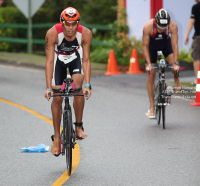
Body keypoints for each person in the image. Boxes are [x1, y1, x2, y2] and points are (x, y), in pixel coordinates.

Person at [44, 7, 92, 156]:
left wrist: (87, 85)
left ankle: (78, 126)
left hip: (75, 59)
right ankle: (57, 137)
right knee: (57, 98)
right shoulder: (52, 33)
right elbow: (49, 62)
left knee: (78, 90)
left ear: (78, 23)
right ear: (62, 23)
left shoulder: (86, 33)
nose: (70, 28)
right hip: (58, 61)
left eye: (73, 24)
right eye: (67, 24)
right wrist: (48, 88)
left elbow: (86, 60)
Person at [142, 9, 181, 118]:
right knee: (150, 75)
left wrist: (175, 63)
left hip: (165, 46)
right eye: (159, 27)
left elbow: (175, 45)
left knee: (174, 66)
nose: (161, 29)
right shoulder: (148, 26)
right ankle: (151, 106)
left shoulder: (173, 26)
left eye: (164, 27)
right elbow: (145, 47)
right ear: (156, 22)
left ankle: (176, 80)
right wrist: (149, 64)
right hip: (152, 48)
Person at [184, 0, 200, 85]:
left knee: (197, 57)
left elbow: (191, 21)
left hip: (198, 37)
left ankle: (198, 80)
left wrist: (187, 34)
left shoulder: (196, 7)